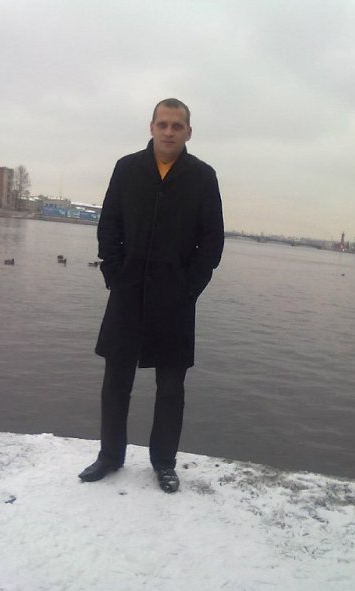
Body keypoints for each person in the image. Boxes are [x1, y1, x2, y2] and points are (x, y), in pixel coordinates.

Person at [79, 98, 224, 493]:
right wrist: (114, 273)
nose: (169, 132)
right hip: (127, 292)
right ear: (152, 127)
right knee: (116, 381)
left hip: (175, 299)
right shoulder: (127, 169)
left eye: (177, 125)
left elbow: (212, 241)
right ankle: (110, 456)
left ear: (188, 132)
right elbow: (109, 224)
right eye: (163, 124)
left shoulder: (202, 177)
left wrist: (190, 287)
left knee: (171, 388)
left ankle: (164, 462)